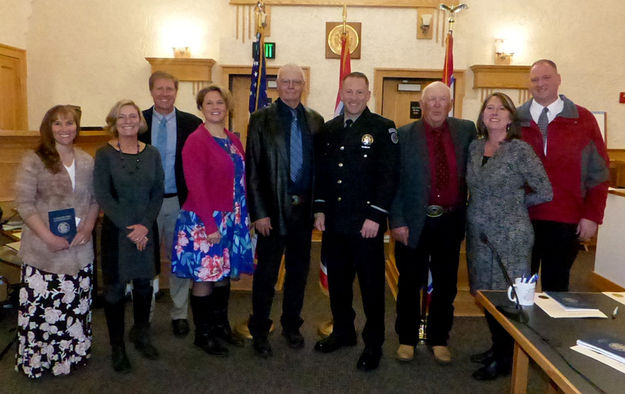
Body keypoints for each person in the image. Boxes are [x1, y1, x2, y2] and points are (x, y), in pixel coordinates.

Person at [313, 72, 399, 372]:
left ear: (368, 94)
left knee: (372, 288)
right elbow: (323, 174)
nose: (353, 97)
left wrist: (376, 215)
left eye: (359, 92)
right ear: (341, 92)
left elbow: (389, 176)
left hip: (366, 225)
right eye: (348, 92)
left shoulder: (382, 128)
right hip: (335, 224)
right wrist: (320, 209)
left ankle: (373, 345)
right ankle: (343, 332)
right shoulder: (330, 128)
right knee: (338, 284)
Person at [389, 81, 476, 365]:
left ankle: (439, 338)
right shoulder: (403, 135)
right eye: (432, 100)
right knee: (409, 283)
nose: (437, 105)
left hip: (450, 221)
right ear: (422, 104)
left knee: (446, 284)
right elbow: (394, 184)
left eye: (443, 100)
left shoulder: (466, 131)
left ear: (450, 104)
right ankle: (407, 339)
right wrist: (397, 221)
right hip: (413, 222)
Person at [466, 93, 552, 380]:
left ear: (511, 117)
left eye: (501, 108)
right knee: (486, 295)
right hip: (479, 236)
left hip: (511, 236)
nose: (494, 113)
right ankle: (496, 347)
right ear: (482, 115)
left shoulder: (520, 150)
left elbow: (544, 190)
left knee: (507, 299)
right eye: (489, 108)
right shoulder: (475, 147)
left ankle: (505, 358)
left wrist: (513, 206)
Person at [14, 105, 100, 379]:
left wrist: (88, 226)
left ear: (77, 127)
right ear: (48, 128)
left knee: (75, 307)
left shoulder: (87, 160)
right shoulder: (34, 159)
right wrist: (48, 236)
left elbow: (96, 200)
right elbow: (24, 203)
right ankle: (39, 361)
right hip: (44, 251)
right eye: (58, 123)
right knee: (43, 311)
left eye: (70, 123)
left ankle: (72, 357)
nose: (65, 129)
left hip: (79, 249)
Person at [246, 64, 324, 358]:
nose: (291, 87)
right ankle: (260, 329)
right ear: (277, 86)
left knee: (298, 273)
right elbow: (252, 170)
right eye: (285, 82)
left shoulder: (315, 121)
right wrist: (259, 213)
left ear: (304, 85)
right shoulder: (261, 119)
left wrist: (318, 209)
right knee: (266, 275)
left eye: (296, 82)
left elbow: (321, 171)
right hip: (272, 212)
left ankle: (291, 325)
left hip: (303, 213)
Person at [171, 85, 254, 356]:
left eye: (220, 102)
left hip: (231, 218)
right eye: (209, 103)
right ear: (201, 108)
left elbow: (240, 179)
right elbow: (195, 185)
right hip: (204, 221)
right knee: (205, 278)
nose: (215, 107)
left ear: (227, 106)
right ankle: (203, 334)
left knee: (222, 276)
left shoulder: (232, 139)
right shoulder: (197, 140)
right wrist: (210, 225)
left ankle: (221, 327)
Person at [518, 59, 609, 291]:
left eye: (546, 78)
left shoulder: (583, 119)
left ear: (559, 79)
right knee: (519, 288)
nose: (540, 84)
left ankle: (551, 328)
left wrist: (592, 216)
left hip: (566, 220)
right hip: (521, 219)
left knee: (556, 289)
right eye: (535, 80)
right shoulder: (516, 119)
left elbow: (598, 173)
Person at [94, 100, 164, 373]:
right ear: (113, 121)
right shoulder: (104, 154)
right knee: (113, 290)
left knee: (144, 285)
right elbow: (103, 195)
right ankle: (117, 347)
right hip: (117, 231)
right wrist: (130, 228)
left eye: (132, 116)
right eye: (121, 117)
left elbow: (158, 192)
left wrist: (144, 226)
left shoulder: (153, 154)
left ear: (140, 120)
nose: (127, 121)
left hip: (146, 229)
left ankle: (141, 333)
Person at [140, 71, 203, 337]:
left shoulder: (191, 123)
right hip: (146, 205)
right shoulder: (138, 120)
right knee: (145, 262)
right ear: (151, 91)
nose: (165, 93)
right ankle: (145, 317)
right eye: (159, 89)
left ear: (176, 91)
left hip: (179, 201)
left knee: (180, 259)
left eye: (169, 89)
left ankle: (179, 313)